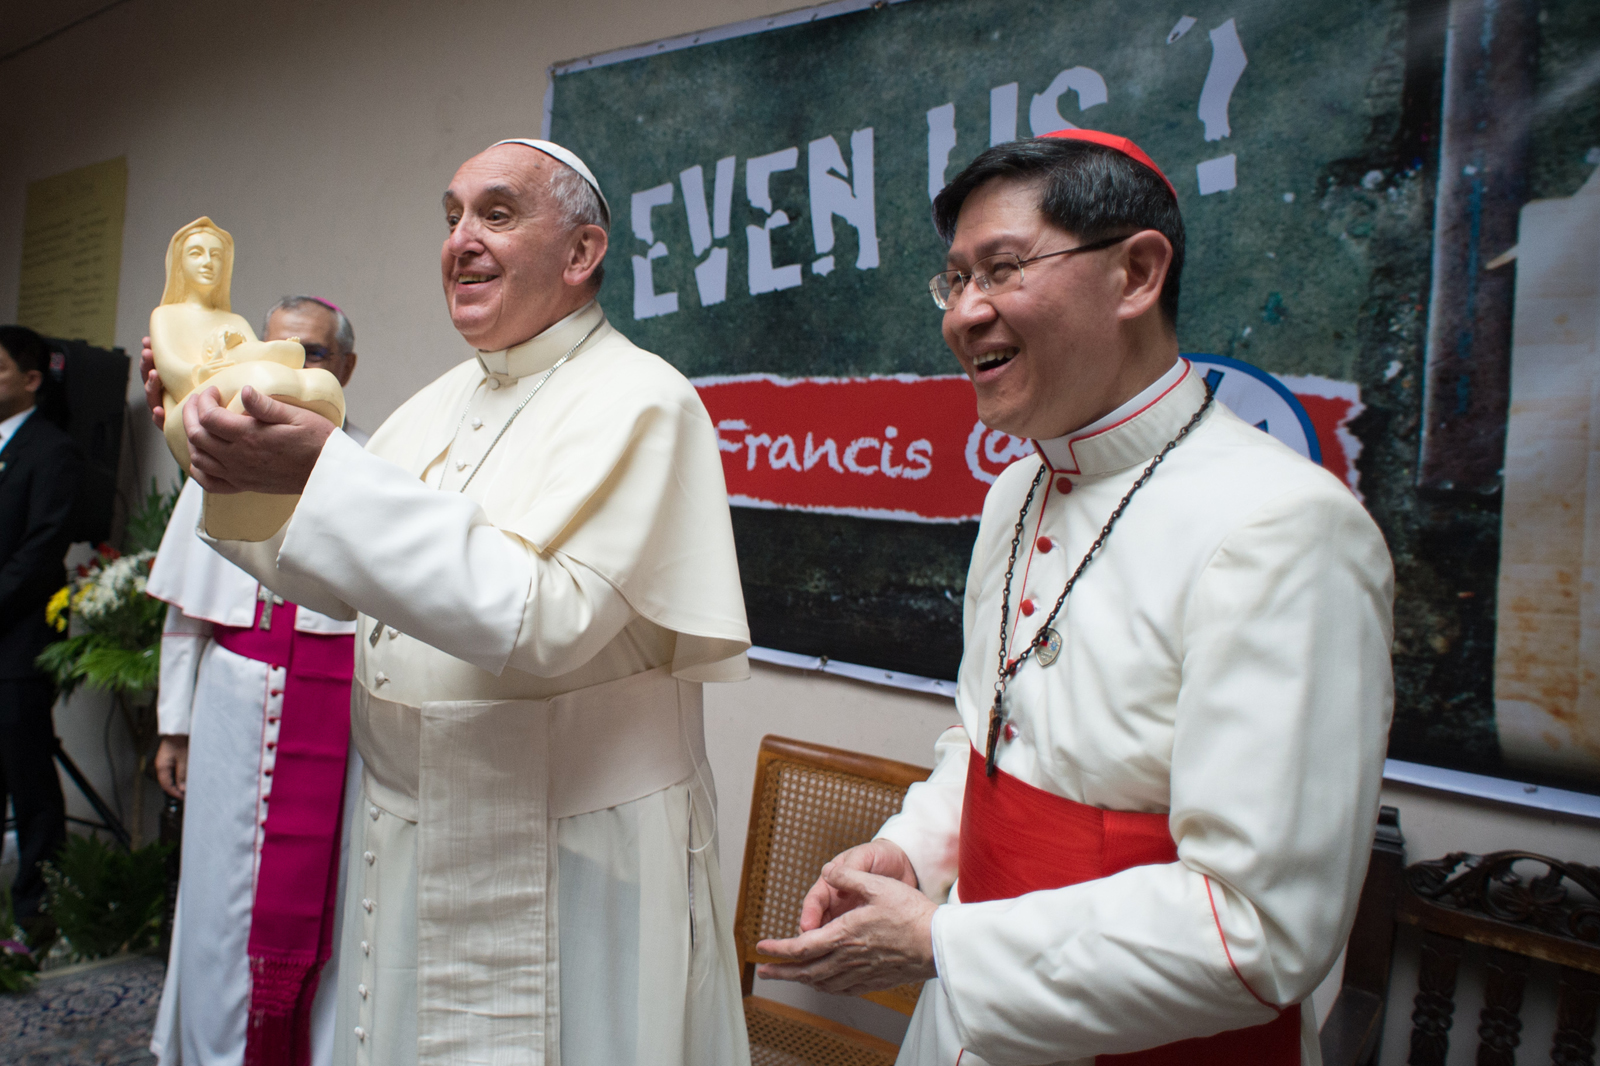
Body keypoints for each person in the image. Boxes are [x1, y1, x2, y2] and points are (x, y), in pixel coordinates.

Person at [756, 130, 1394, 1066]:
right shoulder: (1017, 488)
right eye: (954, 280)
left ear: (1136, 274)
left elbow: (1257, 928)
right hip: (964, 1020)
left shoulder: (1284, 526)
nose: (964, 314)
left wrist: (943, 944)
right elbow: (989, 740)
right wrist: (913, 852)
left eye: (1002, 269)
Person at [141, 139, 752, 1066]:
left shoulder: (643, 400)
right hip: (409, 832)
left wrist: (324, 472)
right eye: (452, 216)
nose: (461, 239)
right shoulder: (431, 405)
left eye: (496, 214)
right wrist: (218, 458)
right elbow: (335, 581)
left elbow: (546, 619)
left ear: (582, 253)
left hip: (573, 853)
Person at [147, 295, 368, 1066]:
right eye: (275, 348)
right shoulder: (222, 455)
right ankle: (213, 1047)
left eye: (311, 353)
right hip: (235, 703)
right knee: (217, 889)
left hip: (339, 712)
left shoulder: (370, 464)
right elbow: (188, 612)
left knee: (334, 893)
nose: (289, 366)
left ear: (345, 368)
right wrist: (175, 725)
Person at [0, 325, 80, 950]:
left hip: (19, 643)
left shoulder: (53, 450)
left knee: (29, 782)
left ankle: (36, 918)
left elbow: (41, 548)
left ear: (30, 380)